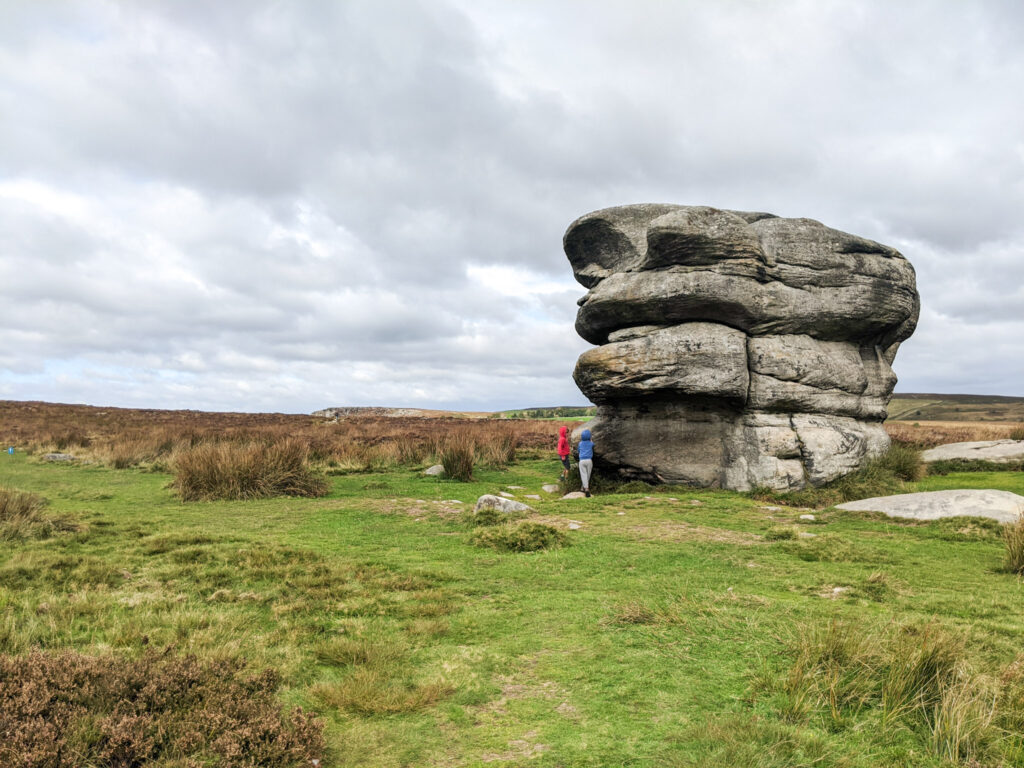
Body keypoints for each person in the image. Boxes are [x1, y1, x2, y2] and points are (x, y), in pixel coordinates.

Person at [577, 428, 594, 497]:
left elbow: (578, 450)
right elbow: (593, 444)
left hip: (582, 461)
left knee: (583, 475)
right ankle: (585, 488)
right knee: (588, 475)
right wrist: (590, 440)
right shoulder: (591, 443)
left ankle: (584, 488)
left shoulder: (580, 443)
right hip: (589, 461)